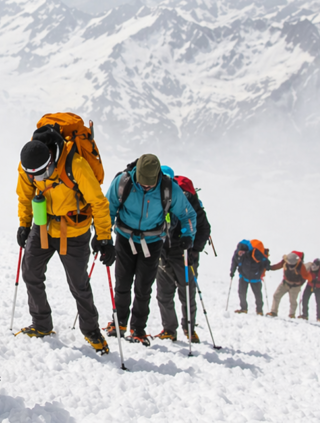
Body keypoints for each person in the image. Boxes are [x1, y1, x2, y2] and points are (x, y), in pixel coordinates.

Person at [14, 128, 112, 355]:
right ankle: (41, 324)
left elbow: (98, 202)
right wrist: (24, 224)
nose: (36, 179)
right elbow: (25, 196)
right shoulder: (28, 165)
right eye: (33, 176)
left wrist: (104, 237)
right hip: (43, 225)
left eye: (41, 174)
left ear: (50, 161)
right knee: (30, 272)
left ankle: (91, 331)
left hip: (74, 230)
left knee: (78, 283)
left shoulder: (75, 165)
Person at [104, 155, 197, 346]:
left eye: (150, 183)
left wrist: (188, 235)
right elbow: (108, 209)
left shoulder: (169, 188)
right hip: (125, 238)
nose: (146, 186)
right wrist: (103, 238)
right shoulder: (123, 182)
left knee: (143, 287)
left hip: (153, 242)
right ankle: (119, 323)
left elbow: (187, 214)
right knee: (122, 283)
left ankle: (138, 328)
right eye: (143, 182)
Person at [154, 167, 211, 344]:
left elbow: (204, 227)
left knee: (186, 293)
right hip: (164, 252)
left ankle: (189, 329)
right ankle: (170, 330)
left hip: (184, 253)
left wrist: (194, 250)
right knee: (164, 294)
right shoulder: (152, 197)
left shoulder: (187, 199)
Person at [230, 240, 270, 315]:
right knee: (241, 293)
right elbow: (234, 262)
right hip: (243, 276)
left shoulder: (256, 253)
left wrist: (267, 266)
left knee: (257, 295)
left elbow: (265, 260)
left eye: (243, 252)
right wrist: (232, 271)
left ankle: (259, 311)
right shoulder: (237, 253)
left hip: (255, 277)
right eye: (240, 252)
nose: (241, 254)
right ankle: (243, 309)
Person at [266, 251, 309, 318]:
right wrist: (270, 268)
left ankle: (291, 314)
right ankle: (274, 312)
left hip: (295, 286)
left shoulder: (301, 266)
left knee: (292, 301)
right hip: (286, 283)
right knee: (276, 295)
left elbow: (305, 275)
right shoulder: (286, 261)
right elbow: (278, 265)